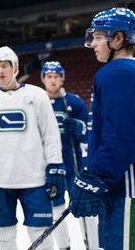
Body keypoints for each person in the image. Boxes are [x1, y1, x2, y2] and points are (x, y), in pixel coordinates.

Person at [70, 7, 135, 250]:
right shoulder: (132, 72)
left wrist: (97, 177)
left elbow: (123, 137)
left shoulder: (119, 73)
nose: (92, 44)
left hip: (132, 188)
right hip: (129, 188)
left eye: (98, 37)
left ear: (118, 39)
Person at [0, 46, 64, 250]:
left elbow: (50, 133)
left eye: (5, 66)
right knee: (4, 236)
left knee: (41, 235)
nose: (1, 71)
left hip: (35, 179)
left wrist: (55, 165)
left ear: (15, 67)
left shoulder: (36, 94)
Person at [40, 61, 99, 250]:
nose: (53, 80)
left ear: (62, 79)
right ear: (43, 79)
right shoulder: (37, 102)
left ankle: (93, 245)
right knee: (56, 209)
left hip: (74, 166)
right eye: (49, 76)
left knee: (85, 208)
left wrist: (80, 129)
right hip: (51, 166)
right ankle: (64, 246)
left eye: (56, 76)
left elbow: (88, 134)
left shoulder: (74, 102)